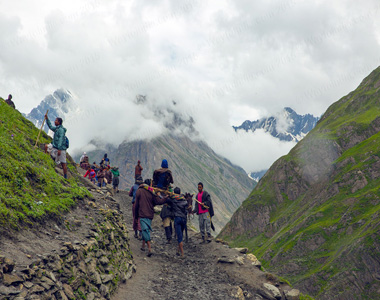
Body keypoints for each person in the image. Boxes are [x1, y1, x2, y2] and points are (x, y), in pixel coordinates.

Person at [134, 178, 167, 257]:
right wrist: (165, 198)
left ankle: (149, 248)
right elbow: (158, 202)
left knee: (145, 231)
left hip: (142, 214)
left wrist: (136, 216)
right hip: (150, 215)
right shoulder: (152, 192)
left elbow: (136, 205)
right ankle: (143, 246)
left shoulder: (139, 191)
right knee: (145, 230)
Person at [44, 114, 68, 179]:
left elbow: (60, 139)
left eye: (56, 121)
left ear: (59, 122)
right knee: (46, 146)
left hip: (61, 148)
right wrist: (47, 119)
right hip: (54, 146)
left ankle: (65, 176)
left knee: (63, 163)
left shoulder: (61, 130)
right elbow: (51, 127)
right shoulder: (57, 128)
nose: (55, 122)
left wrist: (59, 149)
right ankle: (46, 161)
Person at [166, 187, 188, 258]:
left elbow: (166, 200)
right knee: (181, 233)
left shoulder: (173, 200)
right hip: (184, 219)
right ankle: (178, 251)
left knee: (179, 236)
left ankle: (182, 254)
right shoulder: (184, 200)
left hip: (177, 218)